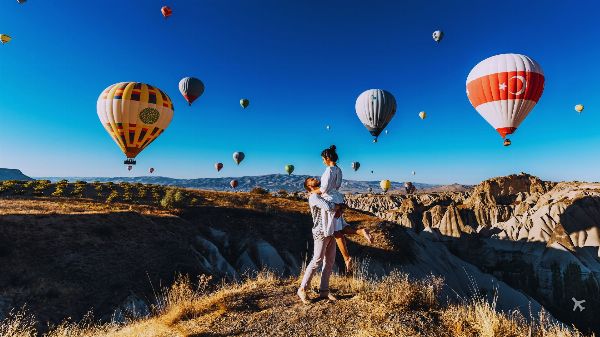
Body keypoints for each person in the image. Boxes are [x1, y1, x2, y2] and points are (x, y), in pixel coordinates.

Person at [317, 145, 372, 272]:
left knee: (337, 232)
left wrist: (313, 192)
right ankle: (360, 232)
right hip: (338, 199)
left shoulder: (328, 171)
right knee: (340, 227)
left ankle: (347, 258)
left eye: (322, 159)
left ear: (326, 157)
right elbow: (337, 185)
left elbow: (324, 189)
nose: (322, 161)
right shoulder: (338, 170)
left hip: (330, 201)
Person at [298, 177, 339, 304]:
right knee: (317, 260)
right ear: (308, 186)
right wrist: (337, 205)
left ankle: (324, 290)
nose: (314, 178)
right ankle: (302, 289)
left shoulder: (322, 195)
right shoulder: (313, 197)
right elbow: (329, 207)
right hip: (320, 232)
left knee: (330, 261)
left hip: (331, 231)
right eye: (310, 179)